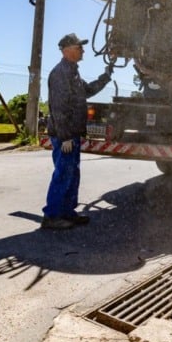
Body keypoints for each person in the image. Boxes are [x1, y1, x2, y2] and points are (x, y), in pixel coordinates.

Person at [41, 33, 113, 230]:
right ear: (66, 51)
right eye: (78, 47)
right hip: (65, 136)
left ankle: (67, 212)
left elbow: (87, 91)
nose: (82, 50)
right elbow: (59, 107)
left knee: (72, 174)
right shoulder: (60, 73)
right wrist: (64, 137)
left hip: (72, 134)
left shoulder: (72, 72)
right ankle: (52, 216)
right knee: (63, 173)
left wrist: (105, 77)